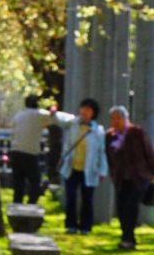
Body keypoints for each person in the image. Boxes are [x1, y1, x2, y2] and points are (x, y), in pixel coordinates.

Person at [54, 98, 108, 235]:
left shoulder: (98, 131)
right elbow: (60, 117)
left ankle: (85, 227)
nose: (84, 111)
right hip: (72, 167)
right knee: (71, 196)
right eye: (83, 108)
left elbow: (102, 152)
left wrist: (102, 170)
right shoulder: (73, 123)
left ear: (93, 113)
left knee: (87, 199)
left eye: (88, 109)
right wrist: (53, 112)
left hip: (89, 170)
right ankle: (71, 225)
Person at [105, 106, 154, 251]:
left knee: (130, 206)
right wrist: (113, 173)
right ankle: (127, 236)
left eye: (118, 118)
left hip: (140, 177)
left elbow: (149, 152)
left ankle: (127, 239)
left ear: (125, 118)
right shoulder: (109, 136)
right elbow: (109, 157)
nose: (115, 121)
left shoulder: (136, 132)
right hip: (121, 178)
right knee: (121, 207)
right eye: (113, 118)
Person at [10, 95, 57, 204]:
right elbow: (52, 119)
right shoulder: (40, 114)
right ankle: (31, 204)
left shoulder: (19, 115)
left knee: (18, 183)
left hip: (15, 151)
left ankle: (17, 206)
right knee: (35, 182)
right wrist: (53, 109)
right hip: (30, 153)